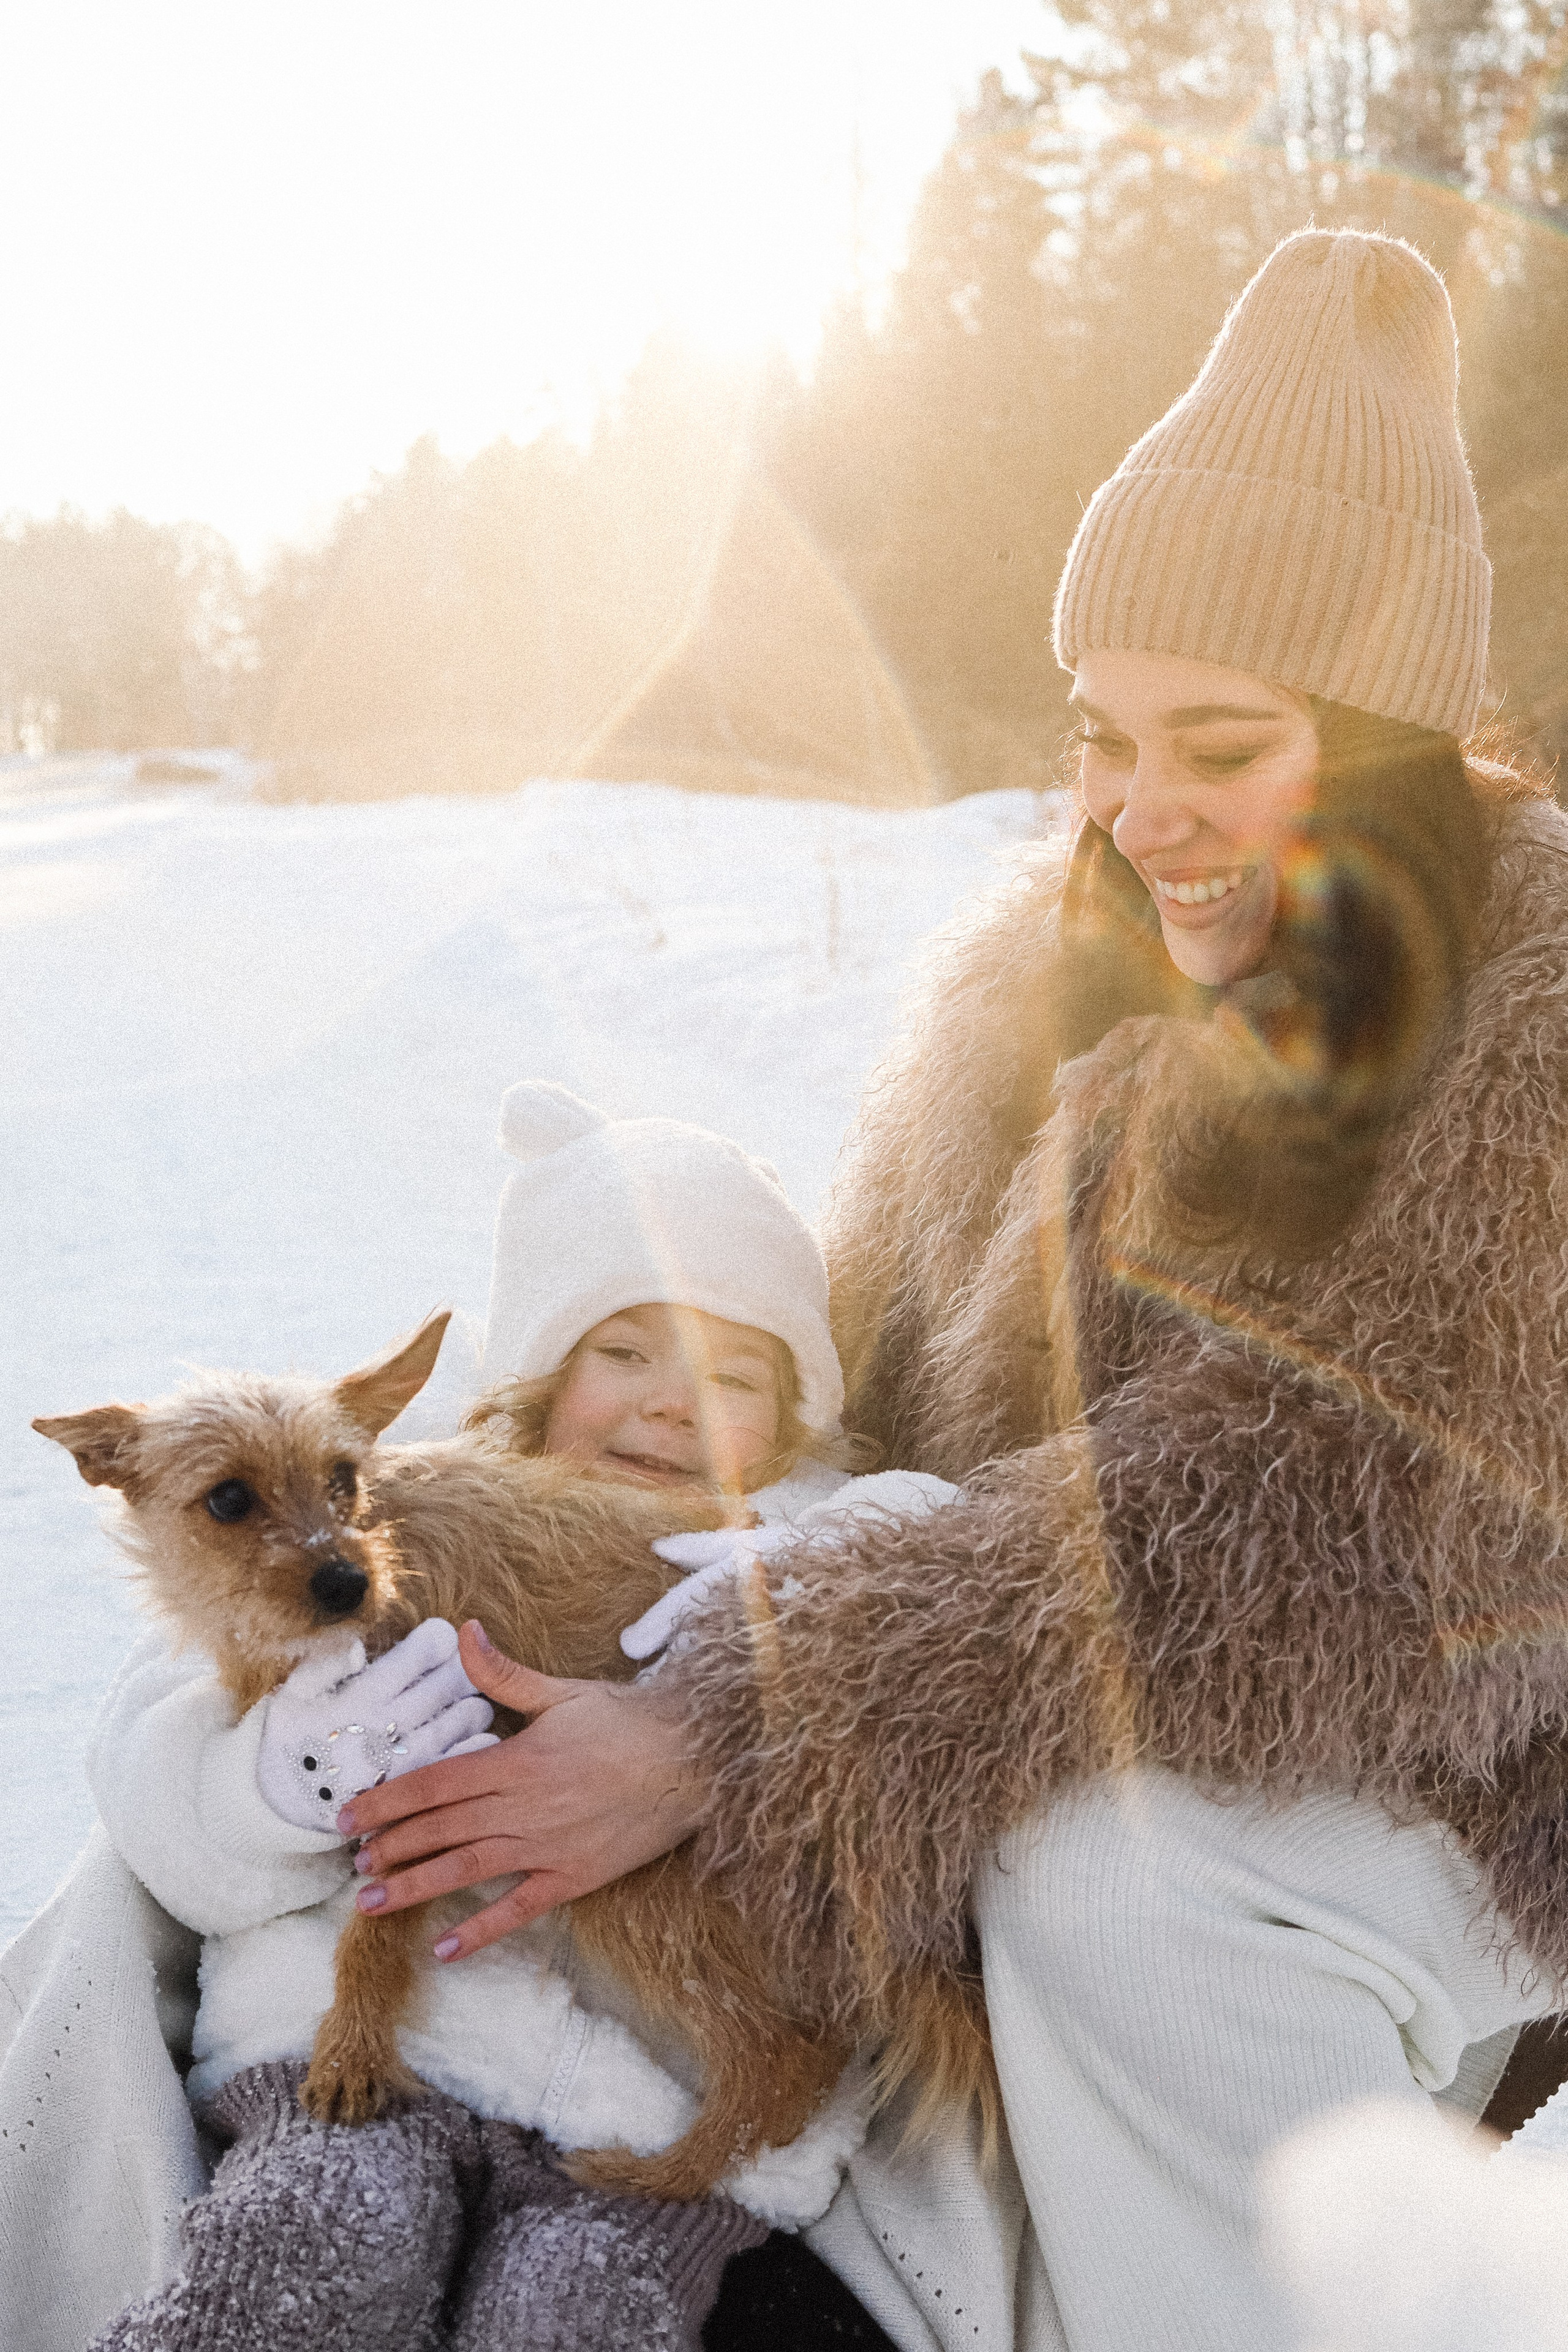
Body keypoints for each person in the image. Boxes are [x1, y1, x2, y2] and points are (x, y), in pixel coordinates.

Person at [344, 229, 1568, 2351]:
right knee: (314, 1788)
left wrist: (749, 1721)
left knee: (1114, 1891)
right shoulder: (1036, 984)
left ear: (1377, 745)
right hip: (1035, 1696)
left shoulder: (1532, 1025)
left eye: (1221, 741)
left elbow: (1346, 1529)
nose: (1143, 810)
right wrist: (516, 1510)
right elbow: (866, 1392)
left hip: (1471, 1765)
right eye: (1105, 735)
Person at [4, 1083, 949, 2352]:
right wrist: (278, 1782)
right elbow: (150, 1789)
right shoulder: (381, 1511)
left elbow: (952, 1559)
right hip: (347, 2061)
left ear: (792, 1423)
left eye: (733, 1375)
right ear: (539, 1371)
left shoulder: (802, 1526)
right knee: (301, 2259)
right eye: (624, 1354)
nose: (672, 1402)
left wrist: (805, 1600)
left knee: (571, 2310)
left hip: (641, 2095)